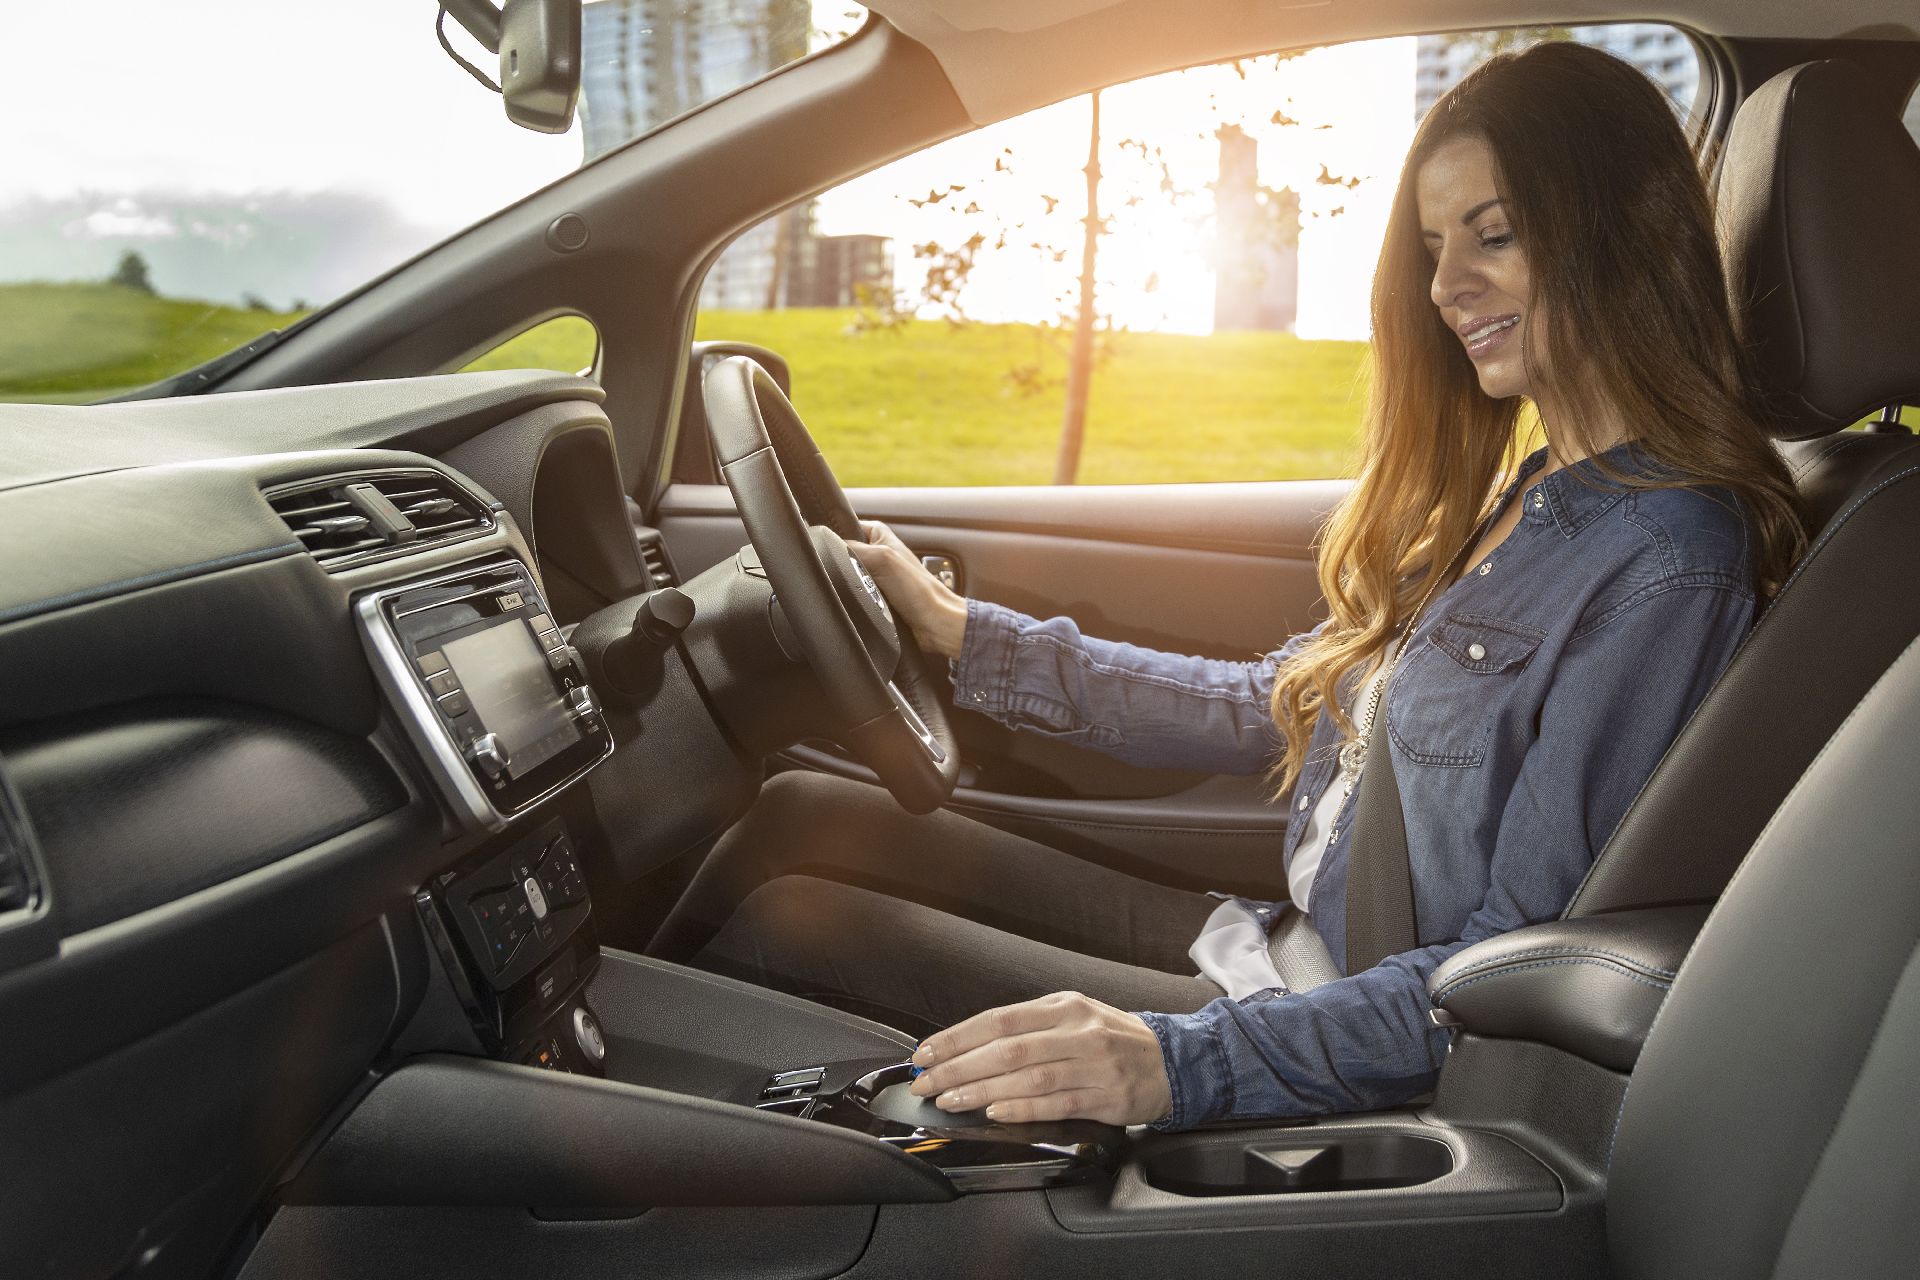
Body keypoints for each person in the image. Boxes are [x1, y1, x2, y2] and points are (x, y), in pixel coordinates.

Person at [646, 42, 1806, 1130]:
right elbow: (1281, 700)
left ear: (1608, 235)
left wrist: (1170, 1061)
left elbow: (1501, 979)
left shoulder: (1668, 560)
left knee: (799, 916)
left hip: (1337, 1024)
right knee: (806, 817)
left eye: (1491, 235)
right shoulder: (1534, 493)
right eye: (1434, 244)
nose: (1447, 284)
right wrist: (964, 634)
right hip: (1271, 943)